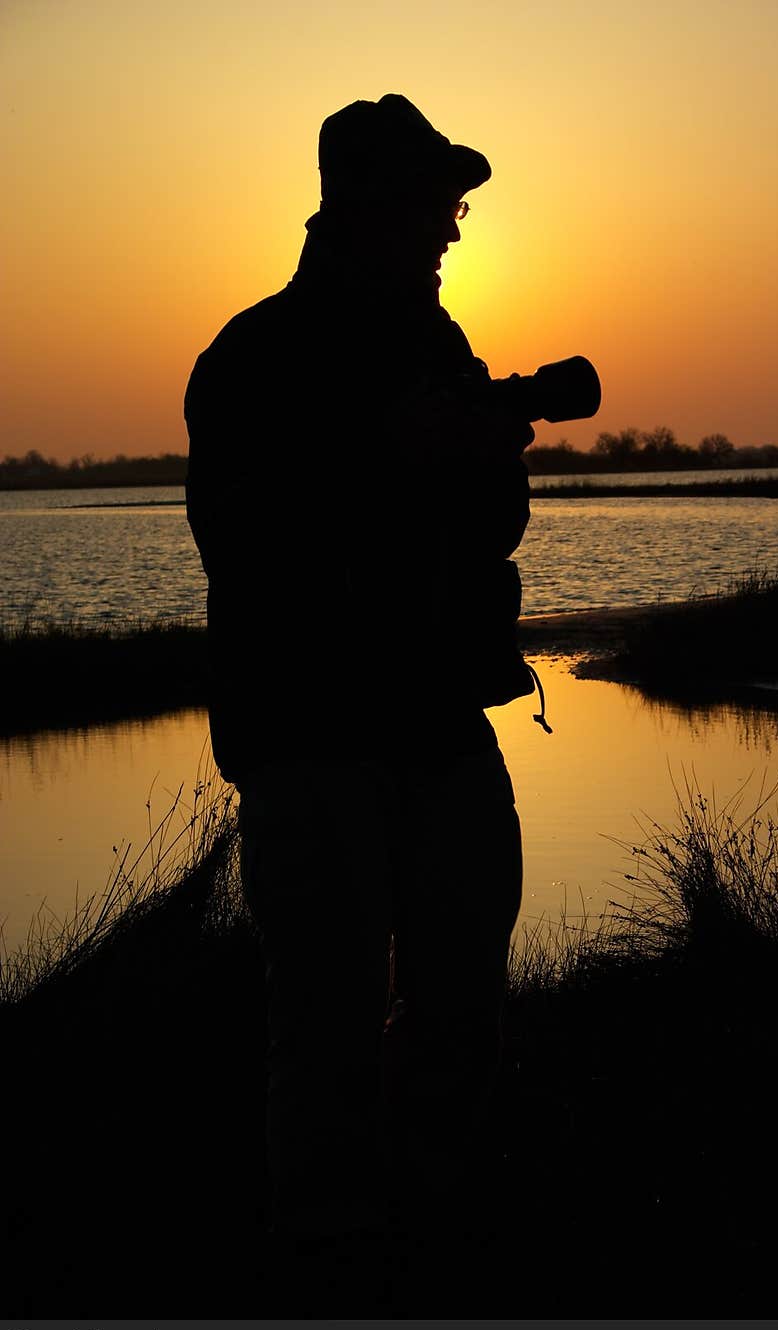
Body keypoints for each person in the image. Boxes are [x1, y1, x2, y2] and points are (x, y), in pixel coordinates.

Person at [184, 95, 537, 1252]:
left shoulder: (440, 346)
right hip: (314, 741)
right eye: (440, 202)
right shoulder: (251, 358)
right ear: (372, 204)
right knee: (327, 1031)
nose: (453, 228)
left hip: (440, 727)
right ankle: (327, 1285)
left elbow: (482, 537)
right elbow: (245, 541)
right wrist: (387, 457)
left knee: (464, 1010)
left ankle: (435, 1243)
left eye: (458, 204)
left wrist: (487, 462)